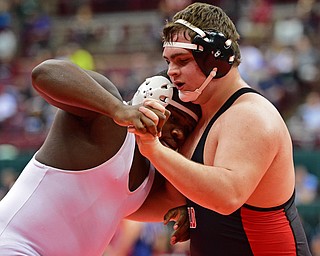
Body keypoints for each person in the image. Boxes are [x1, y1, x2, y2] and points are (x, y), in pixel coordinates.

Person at [131, 2, 312, 255]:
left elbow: (227, 197)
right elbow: (172, 199)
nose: (171, 72)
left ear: (216, 60)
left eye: (182, 60)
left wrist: (154, 150)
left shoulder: (250, 115)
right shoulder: (201, 117)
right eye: (168, 61)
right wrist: (104, 209)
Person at [0, 59, 201, 255]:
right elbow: (43, 73)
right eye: (175, 119)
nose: (179, 134)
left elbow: (194, 199)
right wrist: (117, 110)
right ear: (152, 97)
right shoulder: (105, 118)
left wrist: (192, 213)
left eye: (188, 130)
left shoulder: (152, 179)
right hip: (14, 245)